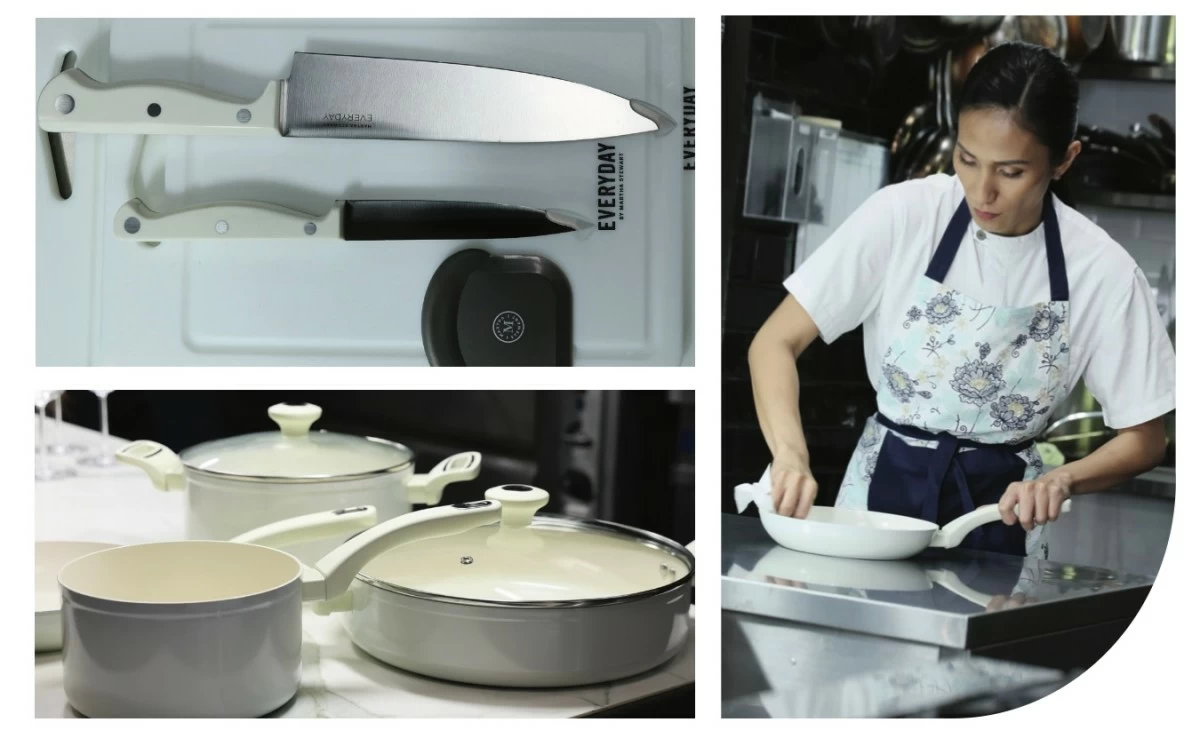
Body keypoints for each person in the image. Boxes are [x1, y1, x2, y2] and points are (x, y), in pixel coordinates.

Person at [747, 42, 1175, 557]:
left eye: (1011, 172)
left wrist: (1063, 479)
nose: (982, 191)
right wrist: (790, 456)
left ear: (1065, 160)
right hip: (874, 511)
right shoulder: (904, 216)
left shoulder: (1102, 270)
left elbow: (1146, 437)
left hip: (1002, 517)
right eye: (967, 159)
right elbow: (774, 342)